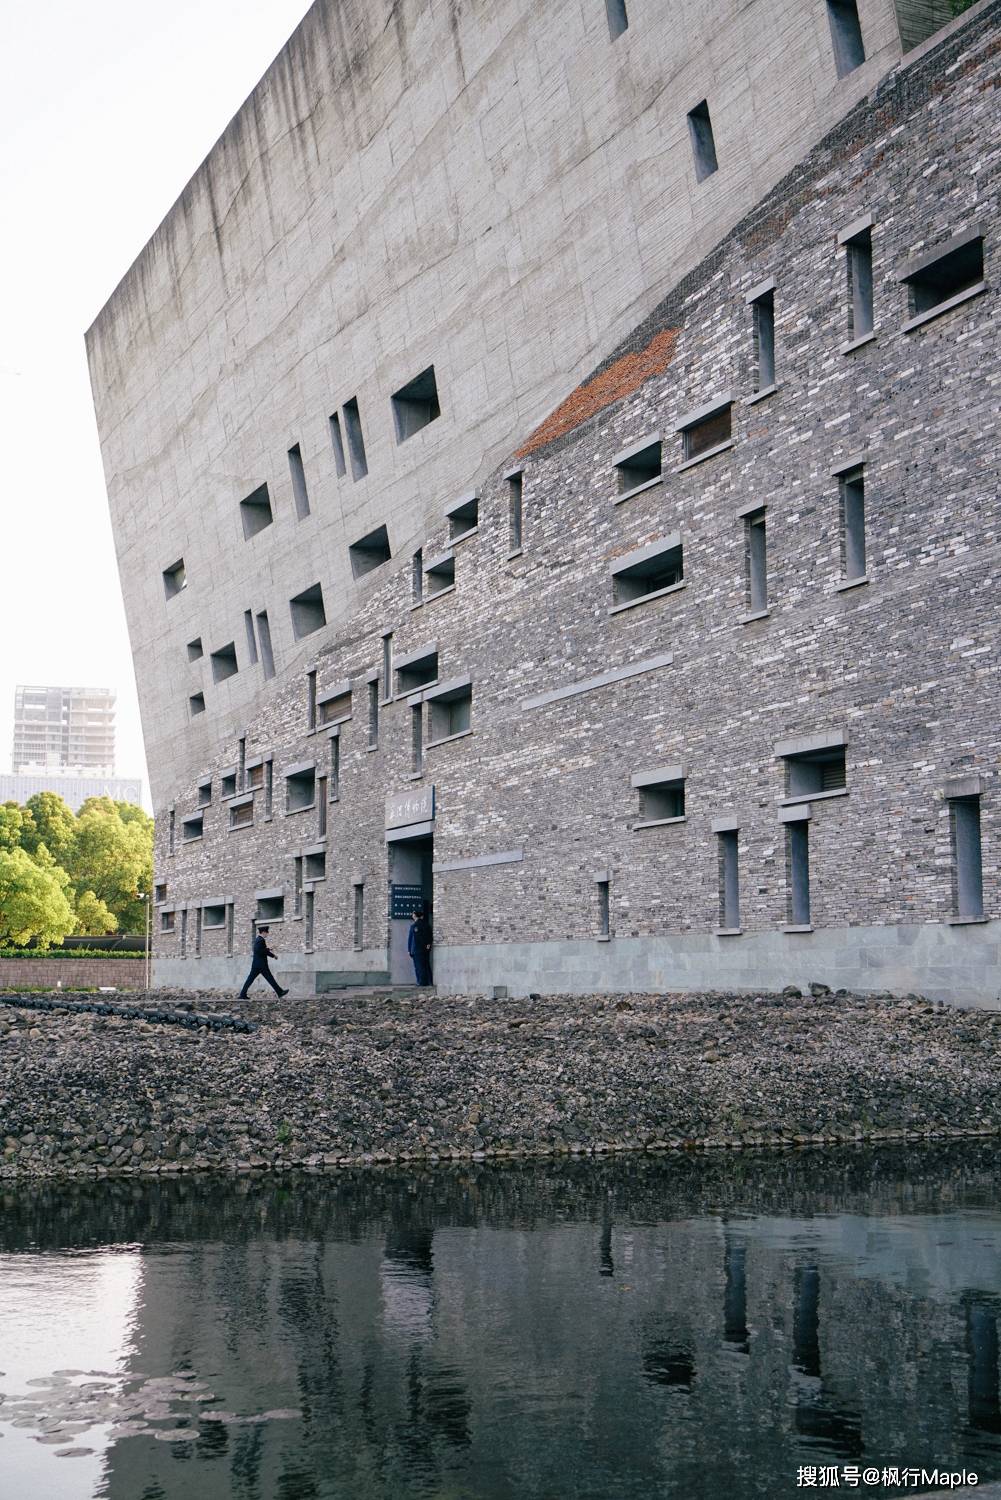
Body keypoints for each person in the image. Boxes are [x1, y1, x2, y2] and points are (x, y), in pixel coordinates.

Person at [238, 925, 289, 999]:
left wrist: (272, 955)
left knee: (250, 979)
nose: (267, 934)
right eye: (267, 933)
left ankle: (242, 994)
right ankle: (280, 992)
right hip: (261, 964)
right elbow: (260, 951)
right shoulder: (261, 940)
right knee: (269, 978)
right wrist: (269, 949)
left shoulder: (258, 939)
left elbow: (262, 950)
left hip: (256, 964)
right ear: (263, 932)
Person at [407, 906, 433, 986]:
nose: (412, 915)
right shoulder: (426, 925)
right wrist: (428, 945)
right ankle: (429, 981)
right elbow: (430, 936)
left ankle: (421, 982)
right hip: (424, 949)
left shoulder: (415, 926)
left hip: (417, 950)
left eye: (413, 914)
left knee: (419, 967)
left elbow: (412, 940)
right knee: (426, 965)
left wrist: (409, 950)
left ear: (415, 915)